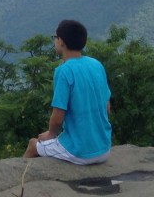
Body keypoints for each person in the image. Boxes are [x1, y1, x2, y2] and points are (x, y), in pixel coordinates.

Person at [24, 19, 112, 164]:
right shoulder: (96, 65)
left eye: (55, 37)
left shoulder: (64, 71)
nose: (55, 41)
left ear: (62, 41)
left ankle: (18, 182)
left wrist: (51, 134)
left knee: (33, 144)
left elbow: (58, 118)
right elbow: (107, 108)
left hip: (79, 151)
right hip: (104, 149)